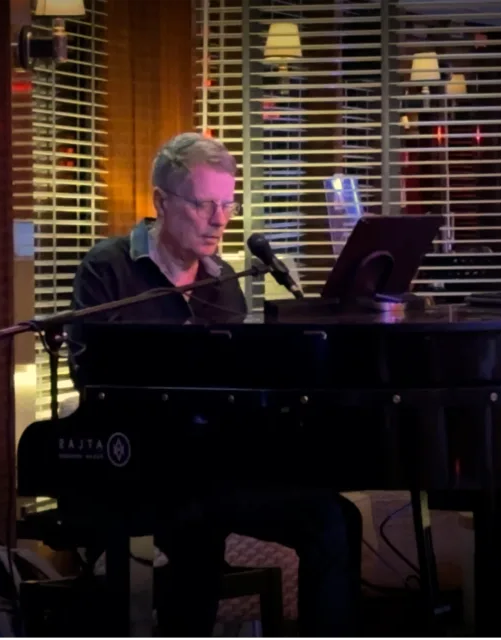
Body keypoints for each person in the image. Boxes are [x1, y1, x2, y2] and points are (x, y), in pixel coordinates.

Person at [68, 132, 362, 639]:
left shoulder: (223, 279)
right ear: (162, 201)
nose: (220, 219)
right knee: (193, 535)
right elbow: (90, 375)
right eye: (205, 204)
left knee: (335, 518)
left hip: (217, 463)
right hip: (141, 465)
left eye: (227, 204)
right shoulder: (109, 268)